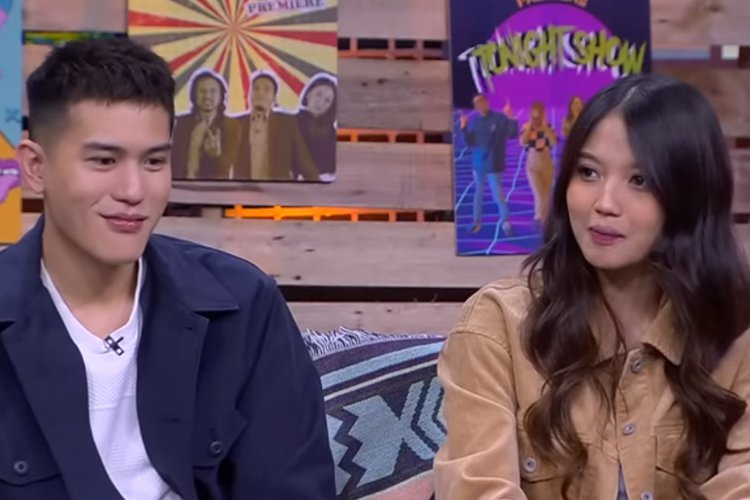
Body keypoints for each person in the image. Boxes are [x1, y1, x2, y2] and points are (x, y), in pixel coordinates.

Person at [3, 38, 336, 499]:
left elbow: (291, 487)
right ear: (36, 167)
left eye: (154, 161)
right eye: (104, 160)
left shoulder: (243, 305)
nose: (133, 190)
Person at [434, 73, 750, 500]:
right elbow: (478, 491)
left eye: (640, 180)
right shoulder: (497, 327)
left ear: (690, 196)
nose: (604, 203)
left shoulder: (738, 337)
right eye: (588, 172)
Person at [235, 72, 319, 181]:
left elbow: (305, 163)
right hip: (245, 189)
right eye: (256, 89)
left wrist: (319, 186)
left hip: (277, 189)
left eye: (266, 90)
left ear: (274, 98)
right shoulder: (236, 123)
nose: (260, 93)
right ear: (248, 95)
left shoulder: (286, 122)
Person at [460, 93, 518, 236]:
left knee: (498, 194)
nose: (480, 104)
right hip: (478, 165)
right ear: (475, 107)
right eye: (477, 103)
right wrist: (464, 128)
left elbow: (513, 134)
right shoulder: (475, 122)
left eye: (482, 101)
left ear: (487, 102)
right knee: (478, 194)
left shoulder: (500, 118)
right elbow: (469, 143)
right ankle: (476, 221)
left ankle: (506, 222)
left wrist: (511, 117)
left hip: (494, 165)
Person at [171, 70, 241, 180]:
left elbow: (231, 169)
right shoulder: (181, 123)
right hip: (181, 186)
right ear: (194, 95)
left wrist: (217, 155)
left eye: (213, 91)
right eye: (202, 91)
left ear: (221, 96)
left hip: (212, 188)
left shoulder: (232, 126)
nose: (207, 96)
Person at [292, 73, 338, 183]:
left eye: (327, 100)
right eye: (318, 94)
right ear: (308, 93)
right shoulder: (289, 123)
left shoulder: (332, 133)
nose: (320, 102)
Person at [520, 101, 557, 225]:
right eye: (534, 116)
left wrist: (545, 127)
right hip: (532, 164)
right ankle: (538, 217)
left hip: (547, 163)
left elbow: (554, 142)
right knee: (539, 194)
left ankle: (544, 220)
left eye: (539, 116)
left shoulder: (549, 127)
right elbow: (522, 142)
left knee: (546, 194)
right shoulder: (526, 127)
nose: (537, 119)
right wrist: (530, 126)